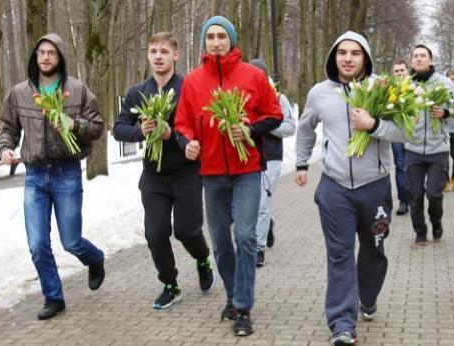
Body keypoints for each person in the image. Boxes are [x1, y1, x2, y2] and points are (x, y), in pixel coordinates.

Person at [173, 16, 283, 336]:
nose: (217, 42)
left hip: (247, 169)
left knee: (246, 237)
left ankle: (243, 306)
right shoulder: (193, 82)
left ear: (232, 41)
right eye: (211, 37)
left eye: (222, 36)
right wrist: (187, 142)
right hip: (211, 173)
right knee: (220, 242)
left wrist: (249, 128)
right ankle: (235, 295)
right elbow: (182, 123)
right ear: (205, 42)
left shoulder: (252, 75)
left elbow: (274, 114)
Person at [295, 31, 405, 346]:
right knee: (340, 254)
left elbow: (402, 134)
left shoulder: (383, 91)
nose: (347, 58)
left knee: (373, 250)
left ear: (365, 58)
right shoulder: (320, 93)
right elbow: (305, 128)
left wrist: (374, 126)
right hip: (335, 187)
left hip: (375, 188)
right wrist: (302, 163)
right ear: (334, 56)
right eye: (342, 52)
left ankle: (367, 297)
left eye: (355, 53)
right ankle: (342, 323)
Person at [0, 33, 106, 320]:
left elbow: (97, 126)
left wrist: (73, 123)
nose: (45, 57)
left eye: (51, 53)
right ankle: (53, 297)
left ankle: (95, 259)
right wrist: (4, 148)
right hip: (34, 177)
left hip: (66, 174)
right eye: (41, 52)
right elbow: (7, 127)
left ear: (60, 57)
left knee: (71, 241)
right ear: (35, 57)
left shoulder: (78, 90)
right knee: (37, 245)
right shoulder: (20, 92)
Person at [113, 32, 214, 309]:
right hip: (154, 175)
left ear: (176, 55)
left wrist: (187, 141)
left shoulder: (189, 87)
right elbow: (118, 129)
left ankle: (203, 258)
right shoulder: (138, 92)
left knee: (186, 230)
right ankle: (170, 284)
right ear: (148, 55)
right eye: (153, 51)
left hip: (186, 172)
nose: (158, 56)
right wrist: (139, 131)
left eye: (164, 51)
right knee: (155, 233)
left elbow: (201, 124)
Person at [405, 44, 454, 245]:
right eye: (415, 56)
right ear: (411, 61)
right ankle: (420, 233)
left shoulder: (445, 83)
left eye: (423, 55)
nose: (419, 59)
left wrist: (445, 113)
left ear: (430, 60)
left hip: (439, 149)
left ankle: (436, 222)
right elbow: (394, 115)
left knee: (434, 194)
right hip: (413, 148)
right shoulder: (405, 85)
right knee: (415, 194)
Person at [248, 58, 296, 267]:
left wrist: (267, 127)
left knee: (261, 204)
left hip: (271, 157)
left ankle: (258, 248)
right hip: (247, 158)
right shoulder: (241, 96)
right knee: (249, 204)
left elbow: (290, 127)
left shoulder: (278, 98)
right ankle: (266, 226)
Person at [390, 59, 411, 215]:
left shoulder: (414, 87)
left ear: (407, 71)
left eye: (401, 70)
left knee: (413, 167)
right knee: (400, 166)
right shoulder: (388, 89)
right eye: (396, 71)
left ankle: (415, 198)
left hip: (413, 134)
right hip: (396, 134)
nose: (399, 73)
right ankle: (403, 201)